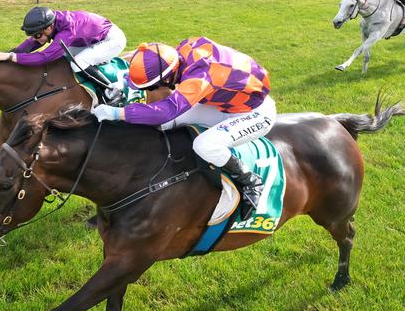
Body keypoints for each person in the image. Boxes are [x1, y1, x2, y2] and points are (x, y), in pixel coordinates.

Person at [91, 38, 277, 219]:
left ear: (168, 77)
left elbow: (166, 111)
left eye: (152, 87)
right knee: (161, 126)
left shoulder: (199, 77)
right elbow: (151, 58)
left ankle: (250, 180)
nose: (151, 90)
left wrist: (118, 113)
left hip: (255, 113)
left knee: (204, 145)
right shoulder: (178, 53)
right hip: (223, 104)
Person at [0, 7, 127, 105]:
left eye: (37, 34)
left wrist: (12, 57)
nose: (35, 38)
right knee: (65, 56)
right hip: (93, 36)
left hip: (112, 39)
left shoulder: (67, 30)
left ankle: (112, 90)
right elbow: (33, 43)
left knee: (78, 61)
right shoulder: (51, 22)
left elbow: (46, 56)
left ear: (49, 28)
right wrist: (12, 52)